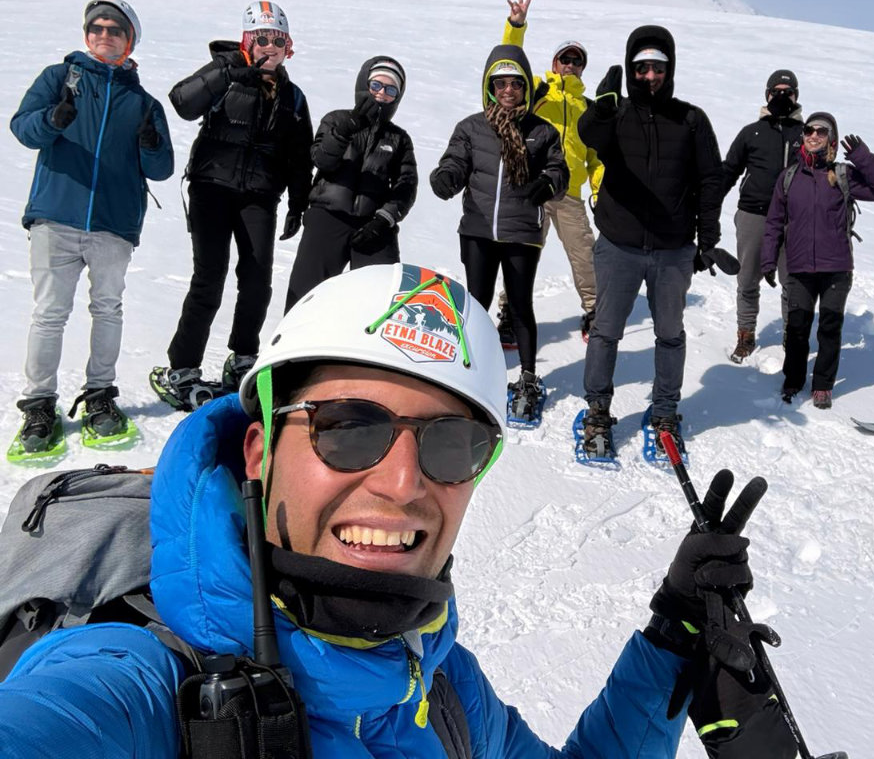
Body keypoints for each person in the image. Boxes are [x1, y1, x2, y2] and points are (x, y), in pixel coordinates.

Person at [0, 262, 794, 759]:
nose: (405, 481)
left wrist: (670, 638)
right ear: (258, 452)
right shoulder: (133, 689)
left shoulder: (440, 687)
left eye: (451, 443)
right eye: (350, 428)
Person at [8, 0, 174, 460]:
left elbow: (160, 169)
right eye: (97, 28)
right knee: (49, 313)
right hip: (55, 215)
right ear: (86, 35)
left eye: (115, 29)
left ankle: (100, 395)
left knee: (107, 310)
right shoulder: (59, 79)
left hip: (113, 224)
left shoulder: (142, 102)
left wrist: (152, 142)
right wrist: (51, 119)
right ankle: (39, 404)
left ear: (129, 40)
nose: (104, 34)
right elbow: (23, 129)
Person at [152, 1, 313, 410]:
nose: (269, 47)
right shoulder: (225, 75)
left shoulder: (292, 97)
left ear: (288, 46)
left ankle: (243, 359)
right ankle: (183, 367)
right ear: (246, 40)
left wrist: (298, 201)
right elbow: (182, 102)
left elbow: (299, 155)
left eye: (278, 39)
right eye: (261, 38)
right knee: (209, 279)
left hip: (259, 196)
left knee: (257, 279)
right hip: (212, 189)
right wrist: (226, 71)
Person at [577, 26, 724, 456]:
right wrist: (601, 110)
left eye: (657, 68)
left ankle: (664, 412)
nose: (649, 76)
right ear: (630, 69)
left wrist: (707, 237)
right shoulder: (615, 113)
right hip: (618, 245)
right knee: (605, 332)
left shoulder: (691, 119)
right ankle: (597, 413)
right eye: (640, 68)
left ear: (669, 69)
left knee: (670, 335)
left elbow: (710, 179)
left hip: (673, 249)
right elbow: (590, 137)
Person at [430, 45, 568, 421]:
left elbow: (560, 170)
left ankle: (527, 375)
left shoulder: (541, 131)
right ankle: (466, 364)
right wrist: (447, 177)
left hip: (522, 231)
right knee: (476, 302)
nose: (508, 90)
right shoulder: (472, 127)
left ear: (526, 87)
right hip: (477, 230)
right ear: (489, 87)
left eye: (516, 83)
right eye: (500, 83)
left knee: (521, 305)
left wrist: (547, 183)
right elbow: (456, 160)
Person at [760, 113, 874, 409]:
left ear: (831, 139)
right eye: (810, 130)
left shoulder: (842, 174)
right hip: (799, 267)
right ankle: (793, 378)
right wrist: (768, 260)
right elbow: (774, 222)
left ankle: (822, 385)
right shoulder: (790, 177)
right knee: (796, 327)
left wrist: (863, 157)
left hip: (837, 268)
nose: (815, 135)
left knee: (829, 329)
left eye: (822, 131)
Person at [495, 0, 603, 344]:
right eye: (565, 59)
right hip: (530, 188)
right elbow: (508, 66)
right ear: (555, 62)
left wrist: (600, 191)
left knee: (584, 254)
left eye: (577, 60)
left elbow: (596, 156)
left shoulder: (587, 107)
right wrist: (516, 26)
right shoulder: (538, 91)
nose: (570, 65)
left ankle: (593, 311)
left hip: (569, 193)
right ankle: (510, 313)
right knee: (520, 255)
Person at [284, 56, 417, 310]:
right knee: (305, 293)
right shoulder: (336, 120)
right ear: (363, 85)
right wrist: (348, 128)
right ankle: (293, 343)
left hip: (374, 224)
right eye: (376, 85)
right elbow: (323, 160)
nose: (380, 95)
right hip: (328, 215)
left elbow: (406, 185)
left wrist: (384, 219)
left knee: (379, 298)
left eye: (390, 90)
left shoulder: (399, 139)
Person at [721, 69, 805, 363]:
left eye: (788, 92)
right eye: (776, 91)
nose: (782, 96)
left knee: (792, 281)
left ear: (796, 96)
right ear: (767, 95)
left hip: (793, 218)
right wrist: (708, 203)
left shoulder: (806, 135)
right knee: (747, 278)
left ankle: (790, 336)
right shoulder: (751, 132)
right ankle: (745, 334)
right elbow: (729, 170)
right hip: (753, 214)